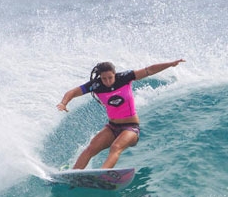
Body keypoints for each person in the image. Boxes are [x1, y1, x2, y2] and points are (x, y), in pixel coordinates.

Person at [57, 59, 185, 169]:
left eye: (110, 77)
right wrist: (63, 103)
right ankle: (74, 174)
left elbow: (149, 70)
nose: (107, 81)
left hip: (131, 128)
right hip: (112, 127)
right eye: (104, 78)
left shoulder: (124, 78)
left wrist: (170, 64)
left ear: (114, 74)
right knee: (91, 148)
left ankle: (102, 175)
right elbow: (72, 92)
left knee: (116, 147)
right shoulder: (96, 85)